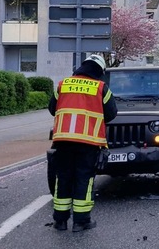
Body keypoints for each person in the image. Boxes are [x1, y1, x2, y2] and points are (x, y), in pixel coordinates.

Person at [48, 54, 117, 232]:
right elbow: (111, 113)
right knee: (83, 179)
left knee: (62, 178)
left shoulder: (64, 84)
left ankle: (60, 221)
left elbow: (52, 108)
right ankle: (81, 221)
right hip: (88, 142)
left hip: (63, 141)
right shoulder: (100, 87)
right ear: (100, 70)